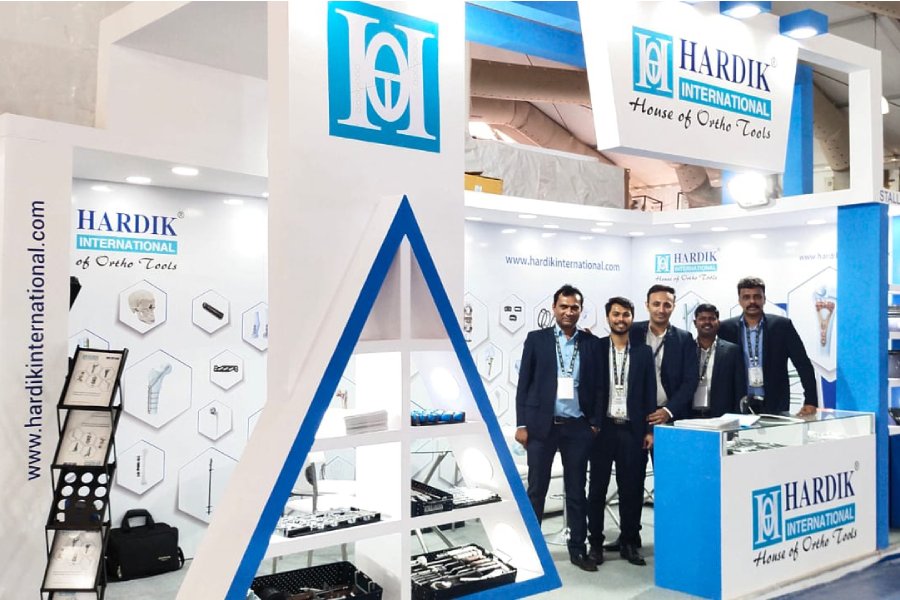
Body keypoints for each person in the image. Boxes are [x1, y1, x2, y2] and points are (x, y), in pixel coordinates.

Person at [514, 284, 602, 571]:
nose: (568, 312)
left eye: (574, 307)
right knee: (536, 490)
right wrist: (522, 424)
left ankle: (578, 549)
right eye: (563, 306)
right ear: (554, 308)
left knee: (576, 491)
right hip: (541, 428)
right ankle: (530, 550)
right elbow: (524, 384)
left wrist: (594, 424)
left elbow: (599, 387)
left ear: (580, 310)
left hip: (577, 428)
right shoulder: (536, 339)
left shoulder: (590, 343)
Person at [587, 297, 656, 567]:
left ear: (632, 318)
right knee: (597, 489)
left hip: (632, 430)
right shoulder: (596, 348)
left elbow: (649, 392)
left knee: (632, 490)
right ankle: (595, 544)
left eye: (626, 314)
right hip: (602, 430)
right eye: (616, 314)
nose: (620, 319)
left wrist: (649, 429)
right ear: (608, 317)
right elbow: (588, 387)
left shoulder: (643, 352)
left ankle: (629, 542)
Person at [718, 277, 818, 415]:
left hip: (775, 404)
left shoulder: (782, 326)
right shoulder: (725, 328)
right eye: (746, 297)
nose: (752, 301)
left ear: (764, 299)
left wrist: (811, 401)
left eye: (757, 296)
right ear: (739, 301)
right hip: (737, 405)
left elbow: (803, 364)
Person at [629, 284, 699, 424]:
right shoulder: (631, 332)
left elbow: (690, 381)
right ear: (647, 305)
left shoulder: (684, 339)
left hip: (668, 413)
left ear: (673, 307)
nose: (661, 310)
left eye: (667, 305)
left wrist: (669, 410)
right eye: (656, 304)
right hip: (633, 412)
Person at [691, 303, 746, 417]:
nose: (707, 322)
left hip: (722, 416)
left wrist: (737, 416)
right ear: (695, 323)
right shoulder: (686, 348)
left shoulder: (732, 351)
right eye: (702, 319)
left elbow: (739, 388)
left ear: (718, 323)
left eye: (712, 318)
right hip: (689, 415)